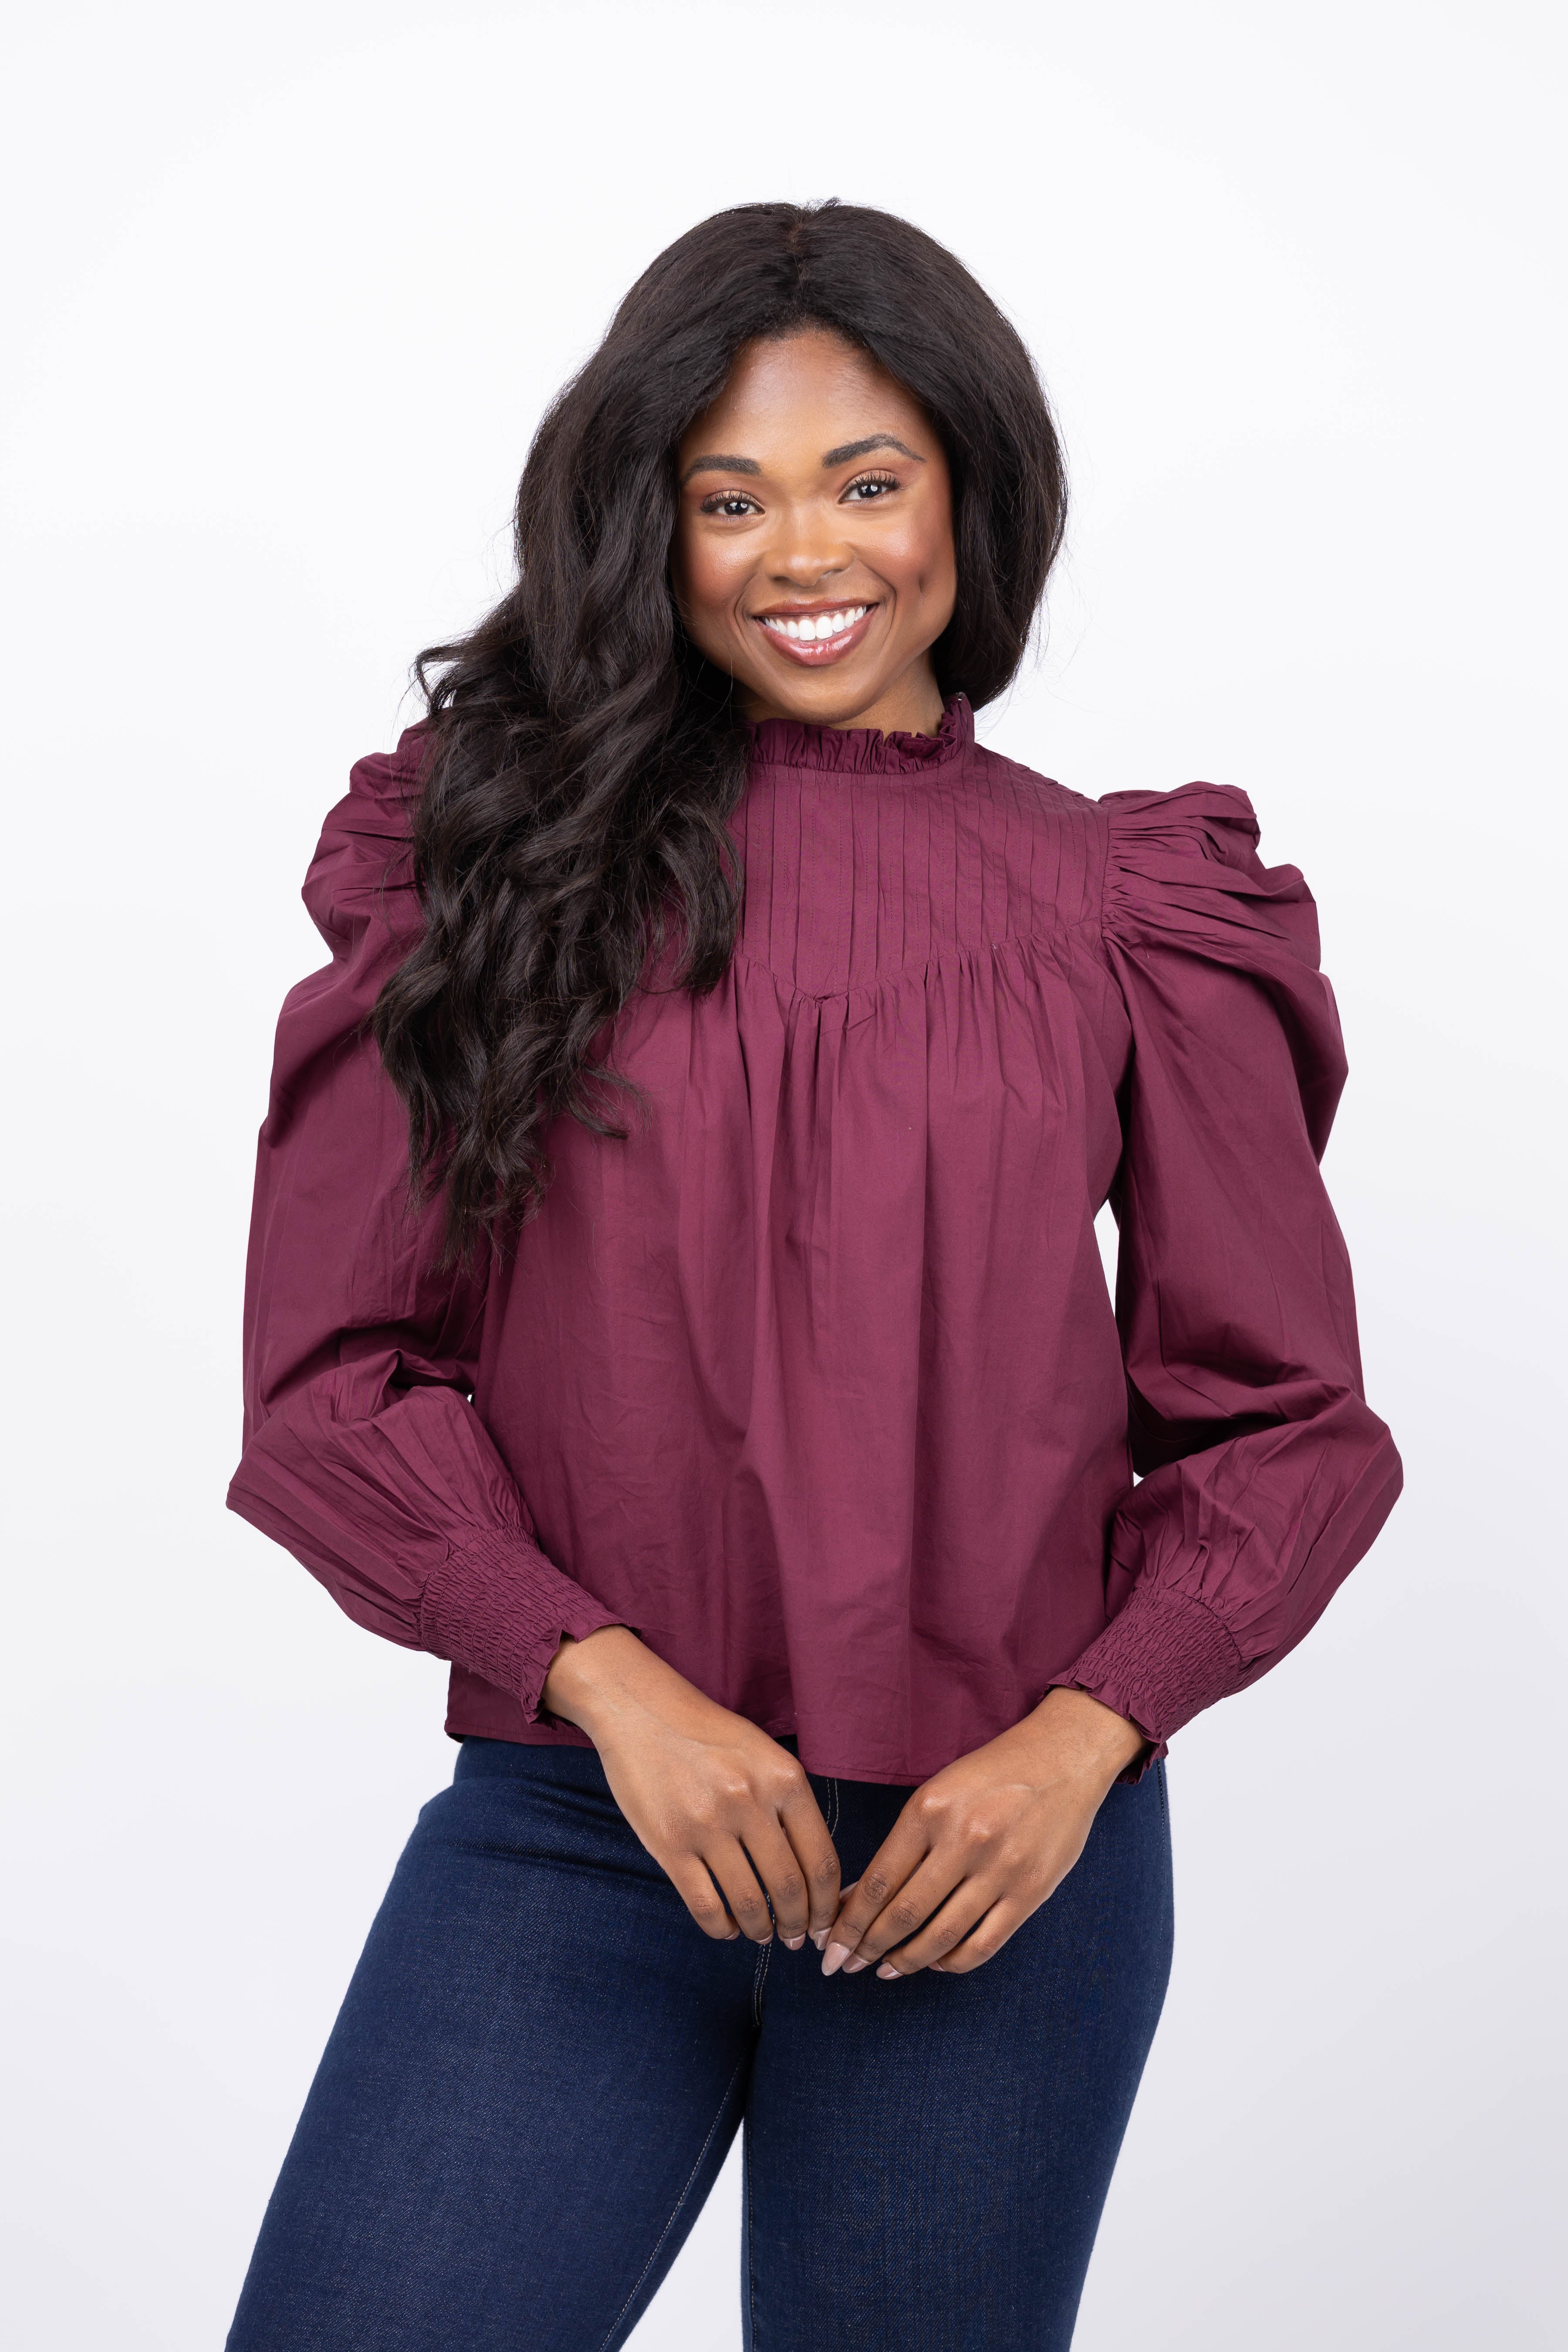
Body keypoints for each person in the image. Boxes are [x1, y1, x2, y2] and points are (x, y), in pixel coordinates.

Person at [223, 200, 1401, 2351]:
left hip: (997, 1871)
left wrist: (1081, 1744)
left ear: (970, 490)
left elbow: (1284, 1426)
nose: (804, 553)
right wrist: (613, 1690)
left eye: (867, 482)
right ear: (652, 528)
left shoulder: (1135, 906)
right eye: (731, 498)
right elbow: (333, 1385)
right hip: (584, 1832)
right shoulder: (489, 867)